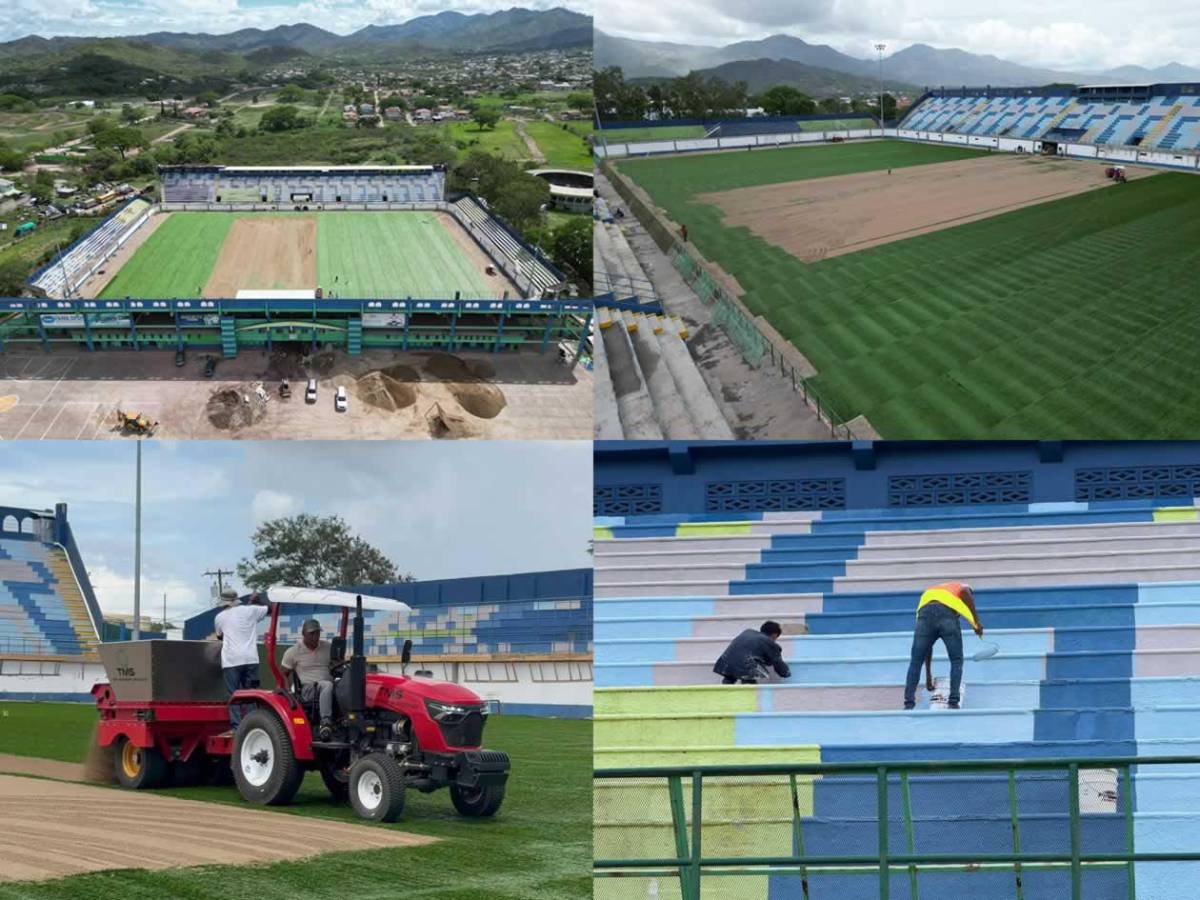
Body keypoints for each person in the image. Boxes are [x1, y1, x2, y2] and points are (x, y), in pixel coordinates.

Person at [904, 581, 983, 710]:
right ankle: (953, 701)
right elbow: (965, 592)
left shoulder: (931, 592)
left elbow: (927, 647)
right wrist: (976, 622)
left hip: (925, 615)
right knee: (956, 660)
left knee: (916, 661)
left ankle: (909, 703)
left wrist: (928, 676)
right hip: (947, 615)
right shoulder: (963, 586)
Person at [213, 588, 268, 730]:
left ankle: (237, 727)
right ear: (236, 600)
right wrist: (257, 600)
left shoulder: (219, 617)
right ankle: (253, 725)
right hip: (251, 659)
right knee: (252, 695)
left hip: (231, 661)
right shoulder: (251, 610)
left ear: (223, 603)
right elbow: (269, 609)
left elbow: (220, 636)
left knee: (234, 695)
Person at [282, 618, 343, 740]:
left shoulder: (328, 647)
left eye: (317, 633)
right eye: (312, 633)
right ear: (303, 634)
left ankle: (346, 722)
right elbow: (284, 674)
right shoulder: (293, 652)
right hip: (309, 689)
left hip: (329, 685)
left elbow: (339, 664)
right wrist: (288, 693)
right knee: (326, 685)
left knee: (345, 686)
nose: (315, 636)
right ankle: (325, 723)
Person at [714, 621, 791, 685]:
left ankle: (725, 689)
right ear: (774, 635)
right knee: (748, 678)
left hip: (726, 662)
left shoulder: (747, 632)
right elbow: (778, 663)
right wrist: (787, 674)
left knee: (730, 676)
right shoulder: (769, 642)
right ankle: (748, 691)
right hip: (745, 665)